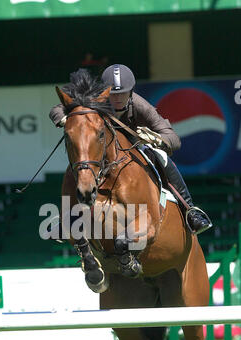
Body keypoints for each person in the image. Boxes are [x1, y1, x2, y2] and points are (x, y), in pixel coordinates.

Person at [49, 64, 212, 235]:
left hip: (133, 149)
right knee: (81, 163)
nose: (118, 98)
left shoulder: (140, 106)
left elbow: (174, 139)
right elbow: (56, 109)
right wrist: (66, 118)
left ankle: (190, 209)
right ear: (105, 92)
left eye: (123, 93)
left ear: (132, 91)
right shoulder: (94, 101)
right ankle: (69, 218)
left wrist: (156, 139)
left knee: (161, 156)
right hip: (102, 151)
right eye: (113, 93)